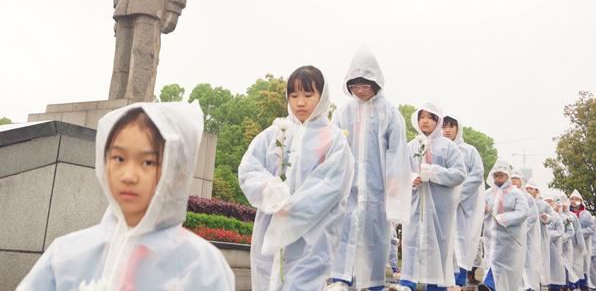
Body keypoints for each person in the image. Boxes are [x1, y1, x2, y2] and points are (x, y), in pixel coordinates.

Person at [17, 102, 235, 290]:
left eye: (148, 162)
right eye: (119, 158)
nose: (129, 176)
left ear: (177, 173)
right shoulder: (65, 255)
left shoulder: (201, 267)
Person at [238, 66, 354, 291]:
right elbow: (248, 168)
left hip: (314, 234)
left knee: (301, 283)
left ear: (322, 97)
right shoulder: (275, 134)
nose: (300, 102)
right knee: (268, 280)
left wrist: (292, 207)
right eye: (294, 95)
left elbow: (332, 186)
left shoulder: (333, 140)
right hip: (270, 226)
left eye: (308, 95)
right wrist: (271, 193)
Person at [327, 47, 412, 291]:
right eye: (355, 86)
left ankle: (373, 283)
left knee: (375, 237)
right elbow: (333, 145)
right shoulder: (344, 111)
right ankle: (341, 278)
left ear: (375, 83)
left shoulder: (389, 113)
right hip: (349, 187)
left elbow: (397, 152)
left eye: (364, 85)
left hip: (377, 189)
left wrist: (394, 184)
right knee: (344, 230)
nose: (359, 91)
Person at [398, 103, 466, 291]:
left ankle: (436, 285)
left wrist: (433, 172)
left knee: (438, 247)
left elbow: (460, 174)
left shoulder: (448, 147)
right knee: (411, 242)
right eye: (421, 117)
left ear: (437, 121)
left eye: (429, 117)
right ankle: (407, 283)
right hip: (415, 206)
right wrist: (413, 178)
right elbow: (401, 172)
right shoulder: (411, 146)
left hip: (439, 209)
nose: (424, 121)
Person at [442, 114, 485, 288]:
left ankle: (459, 281)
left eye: (451, 126)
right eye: (444, 127)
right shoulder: (437, 148)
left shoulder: (469, 151)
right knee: (445, 243)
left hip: (465, 207)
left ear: (458, 129)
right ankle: (443, 282)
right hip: (443, 205)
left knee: (463, 243)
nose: (447, 130)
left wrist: (456, 194)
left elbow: (477, 175)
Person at [478, 161, 528, 291]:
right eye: (496, 175)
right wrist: (482, 209)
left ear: (507, 176)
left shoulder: (516, 193)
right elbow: (478, 211)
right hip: (491, 237)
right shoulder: (488, 193)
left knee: (503, 265)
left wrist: (504, 218)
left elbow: (523, 212)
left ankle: (490, 284)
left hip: (509, 239)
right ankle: (490, 285)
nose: (498, 178)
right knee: (492, 261)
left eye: (501, 175)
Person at [510, 170, 542, 291]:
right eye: (512, 178)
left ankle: (530, 286)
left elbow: (532, 217)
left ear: (522, 181)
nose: (514, 181)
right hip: (510, 237)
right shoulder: (507, 195)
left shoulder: (527, 197)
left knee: (528, 262)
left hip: (526, 237)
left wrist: (521, 230)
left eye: (517, 179)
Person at [525, 179, 554, 288]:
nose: (528, 190)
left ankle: (537, 285)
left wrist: (547, 218)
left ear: (537, 191)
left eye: (530, 189)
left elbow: (553, 217)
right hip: (525, 236)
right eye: (527, 188)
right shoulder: (523, 200)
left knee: (538, 263)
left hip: (540, 238)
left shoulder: (543, 204)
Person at [570, 189, 596, 290]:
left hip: (585, 245)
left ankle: (584, 285)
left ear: (581, 200)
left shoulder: (587, 214)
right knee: (571, 265)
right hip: (571, 245)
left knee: (584, 266)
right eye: (572, 199)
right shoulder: (567, 213)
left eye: (576, 199)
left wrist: (579, 233)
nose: (574, 201)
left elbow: (592, 228)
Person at [559, 195, 585, 289]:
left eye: (565, 203)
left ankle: (571, 284)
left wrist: (581, 245)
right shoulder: (556, 215)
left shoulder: (572, 216)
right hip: (557, 246)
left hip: (571, 245)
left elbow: (578, 232)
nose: (563, 205)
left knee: (570, 266)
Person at [543, 195, 566, 291]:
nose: (548, 203)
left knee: (554, 273)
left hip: (554, 249)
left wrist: (547, 235)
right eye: (546, 201)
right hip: (541, 248)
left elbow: (560, 231)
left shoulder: (556, 216)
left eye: (550, 201)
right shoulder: (539, 213)